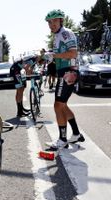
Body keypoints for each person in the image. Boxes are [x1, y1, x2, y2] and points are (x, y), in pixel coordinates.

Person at [44, 9, 85, 151]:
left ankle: (62, 140)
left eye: (54, 21)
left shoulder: (65, 33)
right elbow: (62, 54)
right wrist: (52, 57)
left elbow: (73, 53)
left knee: (58, 106)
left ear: (61, 20)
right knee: (63, 106)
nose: (51, 24)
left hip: (69, 72)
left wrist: (54, 56)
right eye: (49, 22)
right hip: (65, 71)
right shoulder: (57, 36)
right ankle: (76, 134)